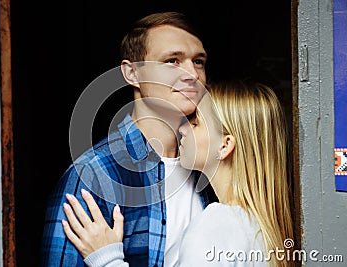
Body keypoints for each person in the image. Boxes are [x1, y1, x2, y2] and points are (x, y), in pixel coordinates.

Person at [40, 11, 216, 266]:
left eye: (198, 61)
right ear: (132, 73)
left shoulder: (209, 167)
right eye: (172, 61)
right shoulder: (93, 175)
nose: (192, 74)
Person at [61, 80, 294, 267]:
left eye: (195, 123)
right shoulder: (262, 227)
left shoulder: (217, 224)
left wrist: (107, 259)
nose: (182, 127)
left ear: (225, 145)